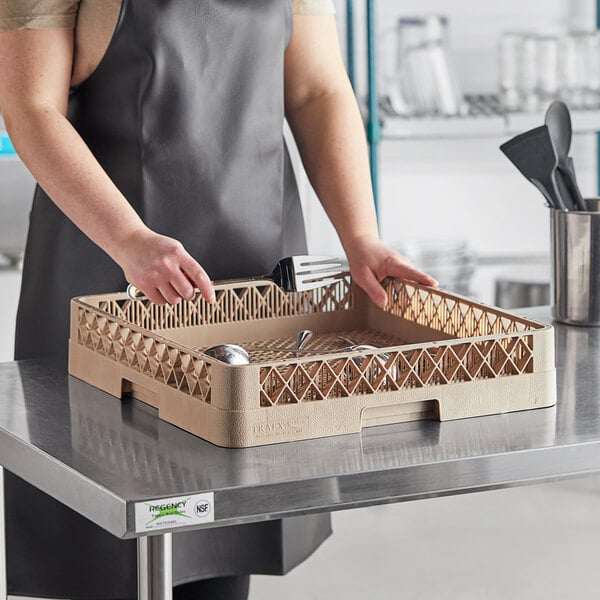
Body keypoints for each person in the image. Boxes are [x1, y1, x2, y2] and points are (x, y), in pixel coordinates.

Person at [0, 0, 437, 598]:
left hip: (253, 288)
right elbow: (31, 106)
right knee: (101, 544)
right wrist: (131, 241)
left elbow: (316, 91)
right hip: (107, 271)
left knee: (223, 536)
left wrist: (360, 236)